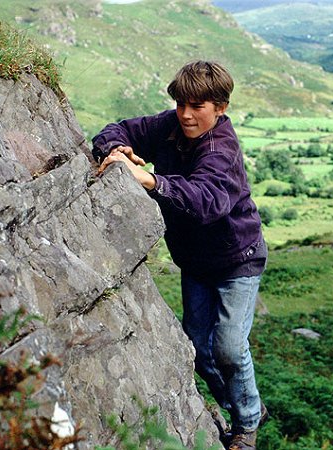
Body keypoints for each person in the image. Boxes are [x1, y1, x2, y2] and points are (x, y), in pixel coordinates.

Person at [92, 60, 268, 450]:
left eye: (198, 106)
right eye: (181, 104)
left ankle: (247, 424)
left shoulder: (221, 150)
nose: (186, 115)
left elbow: (206, 201)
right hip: (195, 261)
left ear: (220, 107)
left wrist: (150, 179)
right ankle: (242, 406)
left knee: (227, 346)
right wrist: (118, 148)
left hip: (238, 258)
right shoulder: (171, 125)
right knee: (198, 349)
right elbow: (118, 128)